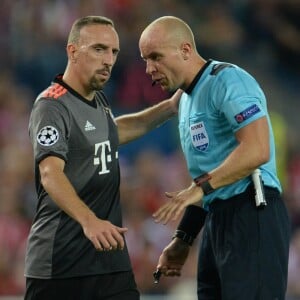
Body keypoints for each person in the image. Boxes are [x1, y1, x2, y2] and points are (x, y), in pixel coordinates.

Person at [24, 16, 182, 300]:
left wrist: (170, 107)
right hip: (62, 264)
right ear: (72, 51)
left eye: (114, 51)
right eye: (99, 49)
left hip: (109, 261)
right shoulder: (52, 105)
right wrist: (89, 220)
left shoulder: (99, 99)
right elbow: (50, 173)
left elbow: (115, 131)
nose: (109, 59)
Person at [139, 16, 291, 300]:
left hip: (252, 214)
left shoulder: (228, 80)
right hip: (216, 223)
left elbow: (257, 149)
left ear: (185, 50)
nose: (149, 69)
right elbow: (209, 180)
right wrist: (183, 238)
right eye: (146, 60)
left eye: (156, 57)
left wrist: (199, 189)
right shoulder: (185, 102)